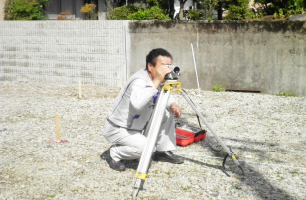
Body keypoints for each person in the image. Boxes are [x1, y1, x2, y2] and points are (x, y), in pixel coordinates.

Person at [101, 48, 184, 171]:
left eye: (169, 66)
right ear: (150, 66)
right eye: (163, 66)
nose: (166, 70)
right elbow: (138, 104)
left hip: (137, 125)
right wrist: (157, 80)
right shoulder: (138, 81)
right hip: (119, 128)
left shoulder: (156, 78)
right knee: (147, 148)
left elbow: (162, 92)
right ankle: (114, 153)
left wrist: (173, 104)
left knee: (167, 112)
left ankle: (162, 151)